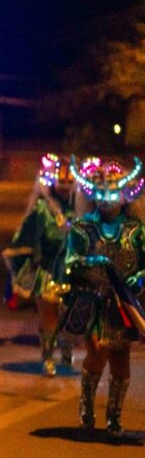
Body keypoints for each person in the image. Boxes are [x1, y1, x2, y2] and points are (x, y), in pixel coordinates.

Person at [58, 156, 145, 438]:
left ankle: (115, 415)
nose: (107, 200)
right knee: (97, 351)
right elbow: (70, 263)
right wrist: (92, 261)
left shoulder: (136, 230)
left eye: (113, 193)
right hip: (93, 301)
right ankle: (86, 407)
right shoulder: (82, 228)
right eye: (101, 194)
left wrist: (138, 279)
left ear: (125, 194)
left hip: (124, 304)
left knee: (121, 358)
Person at [2, 153, 75, 376]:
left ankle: (66, 348)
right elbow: (24, 238)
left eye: (69, 183)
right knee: (49, 315)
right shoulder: (42, 209)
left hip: (74, 272)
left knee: (70, 315)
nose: (65, 187)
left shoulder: (81, 209)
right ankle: (48, 358)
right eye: (61, 182)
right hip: (47, 270)